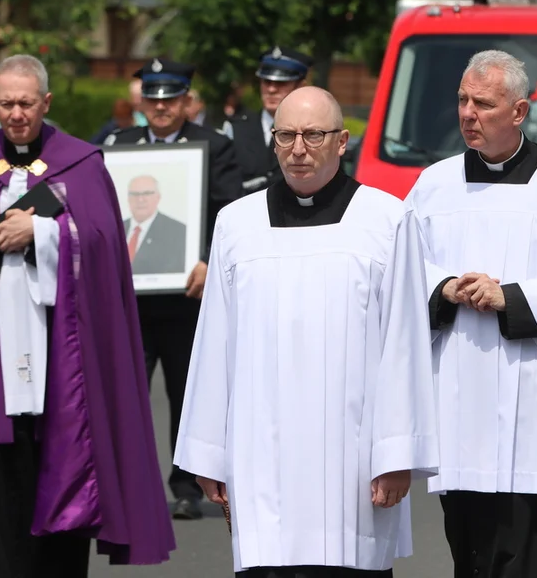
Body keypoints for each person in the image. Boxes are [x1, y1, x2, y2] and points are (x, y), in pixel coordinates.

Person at [0, 54, 175, 576]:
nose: (16, 114)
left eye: (26, 103)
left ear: (46, 102)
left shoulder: (80, 163)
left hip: (62, 363)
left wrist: (43, 234)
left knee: (61, 479)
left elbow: (104, 249)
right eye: (7, 103)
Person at [175, 86, 439, 577]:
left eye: (314, 135)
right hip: (260, 454)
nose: (298, 148)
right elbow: (215, 344)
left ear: (342, 142)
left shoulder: (386, 220)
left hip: (352, 459)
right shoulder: (237, 223)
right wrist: (208, 452)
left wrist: (397, 454)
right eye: (287, 135)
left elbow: (404, 344)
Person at [404, 49, 537, 578]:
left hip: (532, 405)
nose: (467, 114)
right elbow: (401, 274)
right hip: (457, 401)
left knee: (529, 552)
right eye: (462, 100)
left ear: (519, 112)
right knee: (469, 553)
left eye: (483, 103)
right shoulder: (433, 185)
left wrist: (511, 298)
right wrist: (445, 286)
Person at [104, 57, 243, 520]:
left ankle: (186, 487)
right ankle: (124, 485)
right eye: (153, 98)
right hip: (130, 300)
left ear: (185, 100)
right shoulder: (116, 146)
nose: (161, 107)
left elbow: (229, 215)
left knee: (187, 396)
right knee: (125, 395)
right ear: (142, 101)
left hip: (188, 298)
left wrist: (206, 258)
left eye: (171, 98)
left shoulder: (214, 147)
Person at [224, 46, 313, 195]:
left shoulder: (315, 131)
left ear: (301, 86)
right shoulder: (236, 128)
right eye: (266, 82)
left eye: (281, 83)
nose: (271, 90)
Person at [124, 175, 187, 275]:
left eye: (147, 193)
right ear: (128, 198)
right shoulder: (115, 230)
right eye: (135, 194)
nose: (140, 199)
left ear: (158, 197)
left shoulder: (177, 231)